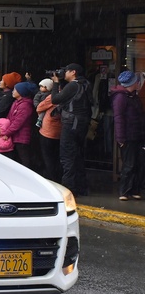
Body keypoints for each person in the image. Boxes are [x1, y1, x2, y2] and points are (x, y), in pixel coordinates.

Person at [51, 63, 91, 196]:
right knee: (78, 156)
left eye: (66, 71)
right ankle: (81, 187)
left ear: (73, 72)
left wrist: (56, 83)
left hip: (71, 124)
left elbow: (56, 99)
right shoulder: (85, 84)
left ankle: (69, 189)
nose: (64, 73)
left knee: (67, 157)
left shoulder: (73, 85)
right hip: (82, 123)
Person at [111, 70, 144, 201]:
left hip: (138, 134)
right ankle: (124, 191)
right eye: (137, 81)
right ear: (132, 83)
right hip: (128, 136)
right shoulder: (120, 98)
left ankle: (134, 189)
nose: (139, 83)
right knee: (129, 164)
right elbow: (119, 118)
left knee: (138, 163)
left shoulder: (133, 96)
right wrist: (120, 138)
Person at [36, 78, 62, 183]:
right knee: (56, 156)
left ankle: (51, 179)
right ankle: (57, 177)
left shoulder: (54, 97)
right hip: (60, 129)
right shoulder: (67, 96)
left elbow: (39, 107)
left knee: (48, 157)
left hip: (48, 130)